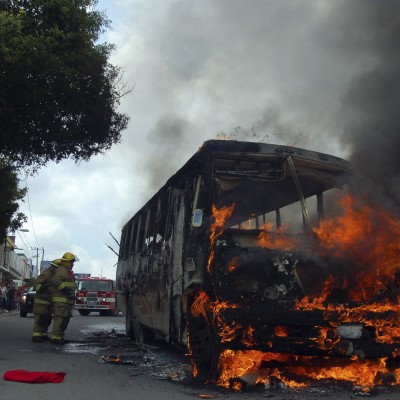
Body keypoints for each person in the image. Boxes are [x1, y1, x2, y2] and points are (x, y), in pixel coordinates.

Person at [50, 252, 77, 344]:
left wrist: (72, 295)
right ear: (67, 262)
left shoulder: (67, 271)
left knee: (64, 319)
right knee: (60, 319)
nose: (73, 264)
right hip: (61, 301)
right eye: (72, 262)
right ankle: (55, 338)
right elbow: (55, 280)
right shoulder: (62, 270)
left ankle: (59, 337)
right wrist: (65, 290)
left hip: (66, 301)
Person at [31, 259, 61, 342]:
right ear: (54, 267)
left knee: (47, 319)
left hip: (48, 301)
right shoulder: (46, 274)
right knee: (40, 319)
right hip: (41, 300)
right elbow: (36, 284)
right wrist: (42, 288)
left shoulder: (54, 275)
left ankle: (43, 334)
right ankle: (36, 335)